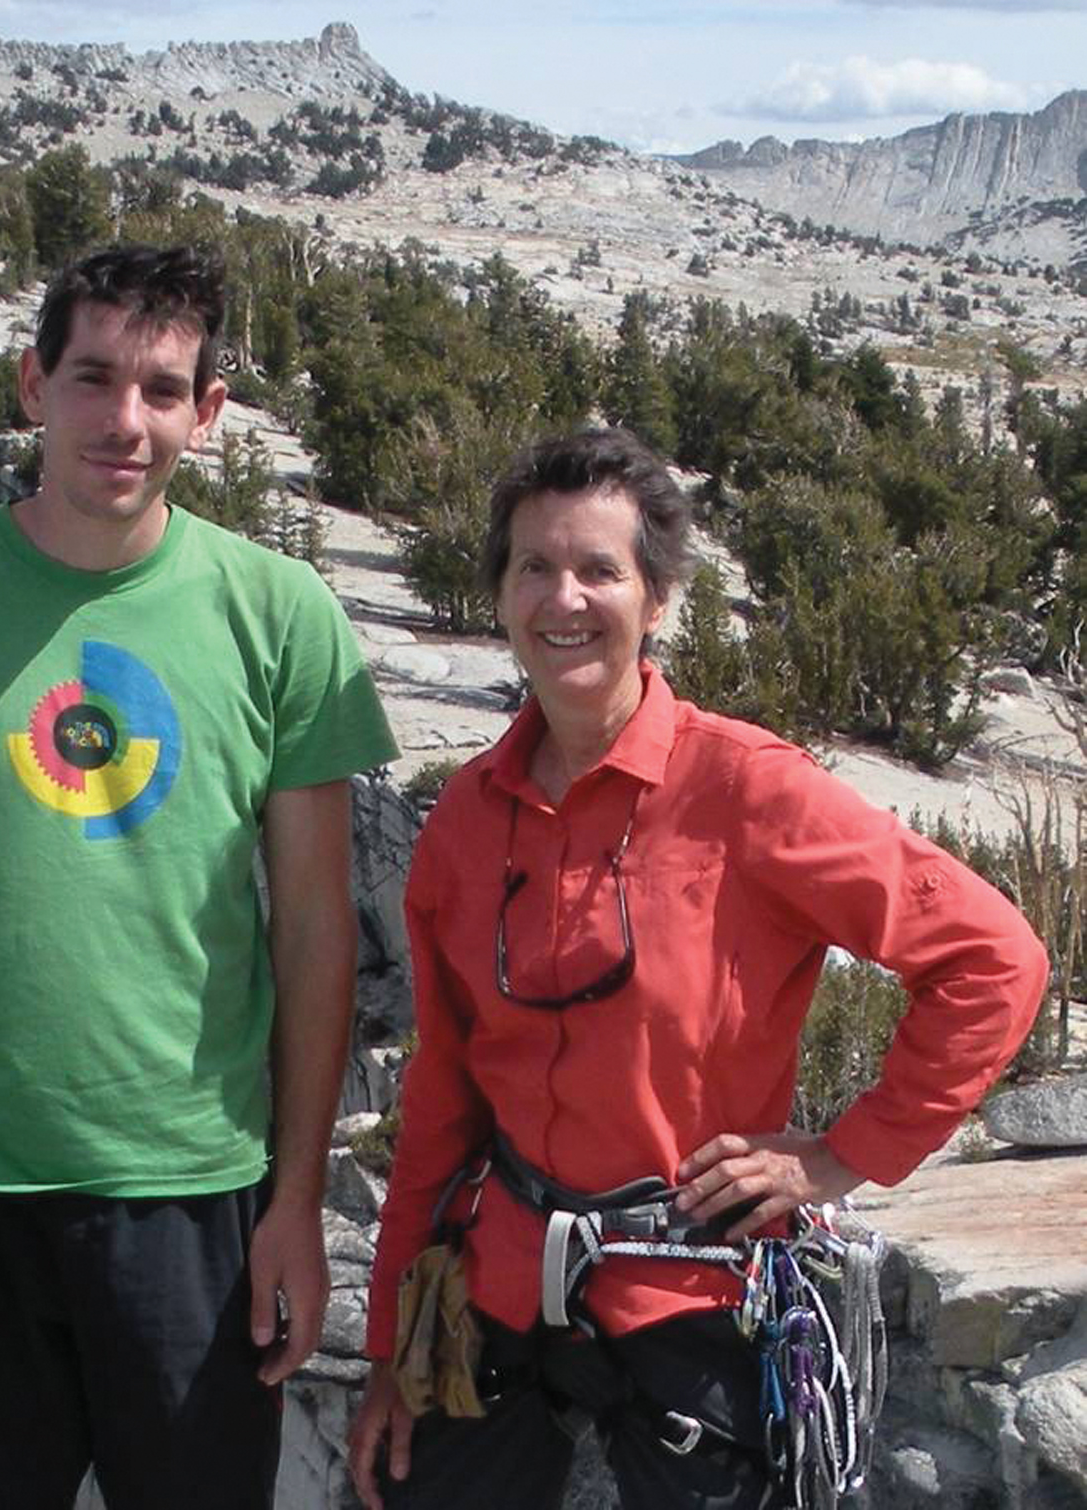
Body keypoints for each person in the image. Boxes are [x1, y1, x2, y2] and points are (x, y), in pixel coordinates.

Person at [348, 428, 1048, 1510]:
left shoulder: (746, 790)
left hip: (691, 1292)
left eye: (598, 570)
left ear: (657, 600)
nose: (562, 598)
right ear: (497, 593)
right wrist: (399, 1331)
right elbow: (443, 1088)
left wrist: (840, 1156)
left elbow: (991, 959)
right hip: (500, 1279)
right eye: (533, 565)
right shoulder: (468, 821)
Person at [0, 242, 397, 1509]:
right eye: (92, 379)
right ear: (32, 385)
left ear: (209, 413)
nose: (122, 421)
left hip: (194, 1194)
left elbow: (311, 928)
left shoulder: (280, 612)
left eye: (161, 388)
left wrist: (293, 1197)